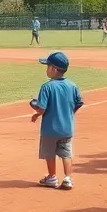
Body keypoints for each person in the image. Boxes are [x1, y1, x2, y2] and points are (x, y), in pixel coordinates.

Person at [30, 51, 84, 190]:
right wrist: (70, 112)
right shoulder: (72, 85)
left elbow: (42, 108)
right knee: (66, 153)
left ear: (54, 69)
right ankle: (68, 178)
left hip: (50, 129)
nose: (46, 69)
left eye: (48, 66)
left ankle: (52, 177)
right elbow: (79, 102)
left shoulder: (47, 87)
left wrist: (35, 110)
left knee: (49, 153)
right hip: (67, 128)